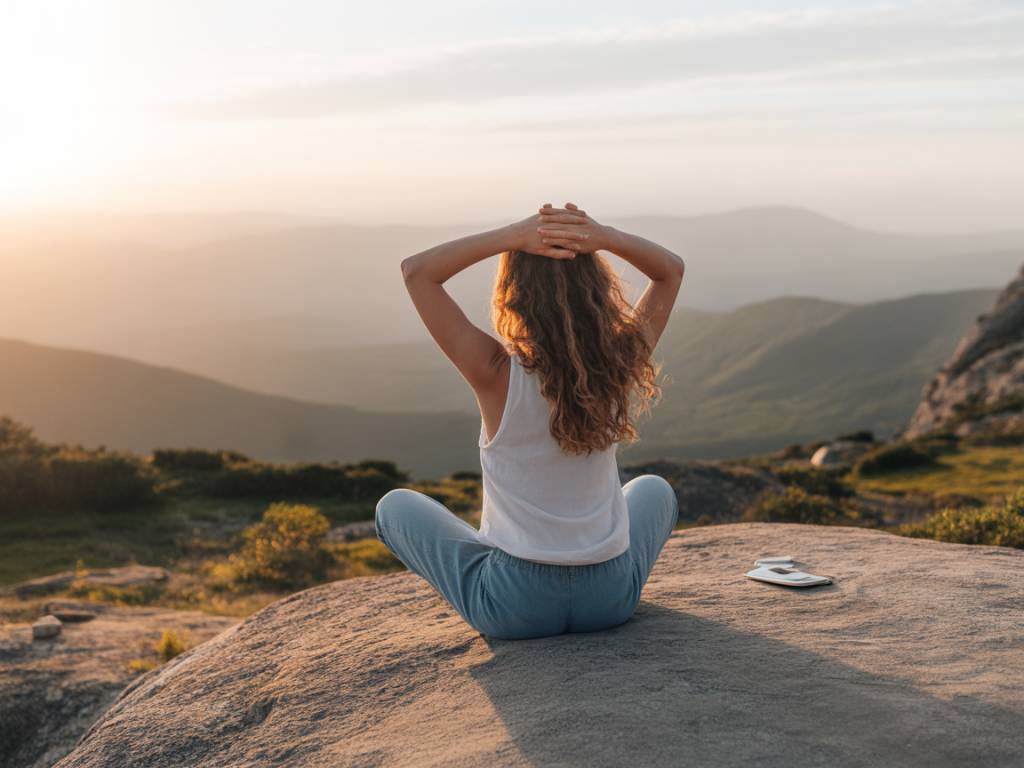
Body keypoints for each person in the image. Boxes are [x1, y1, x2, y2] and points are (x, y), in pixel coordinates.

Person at [375, 202, 685, 640]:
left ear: (514, 292)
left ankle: (496, 556)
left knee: (394, 508)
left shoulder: (494, 371)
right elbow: (670, 271)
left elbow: (417, 272)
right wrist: (601, 236)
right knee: (655, 489)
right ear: (596, 291)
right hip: (610, 599)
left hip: (516, 604)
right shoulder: (618, 364)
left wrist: (513, 236)